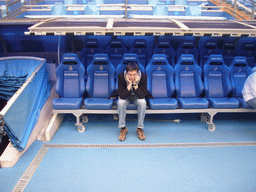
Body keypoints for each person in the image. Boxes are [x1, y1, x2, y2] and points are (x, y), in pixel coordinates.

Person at [111, 62, 152, 141]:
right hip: (126, 96)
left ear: (137, 73)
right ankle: (123, 128)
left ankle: (140, 128)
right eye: (130, 74)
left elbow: (142, 95)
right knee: (120, 102)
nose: (132, 76)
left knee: (143, 102)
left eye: (134, 74)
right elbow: (122, 96)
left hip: (137, 96)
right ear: (126, 73)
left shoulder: (143, 77)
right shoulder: (121, 76)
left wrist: (135, 84)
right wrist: (130, 84)